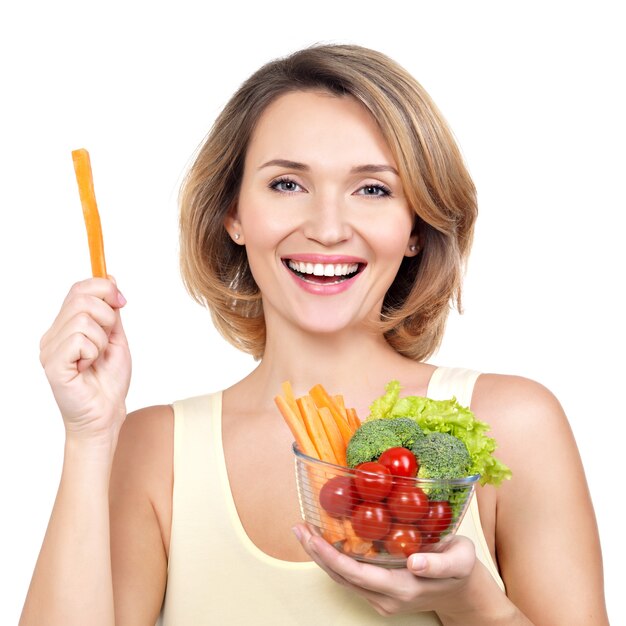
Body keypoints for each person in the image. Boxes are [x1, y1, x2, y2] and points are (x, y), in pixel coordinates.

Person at [20, 44, 608, 625]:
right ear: (234, 215)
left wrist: (471, 603)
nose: (327, 229)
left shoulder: (514, 424)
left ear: (416, 227)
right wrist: (90, 437)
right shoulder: (156, 450)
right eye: (287, 184)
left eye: (373, 189)